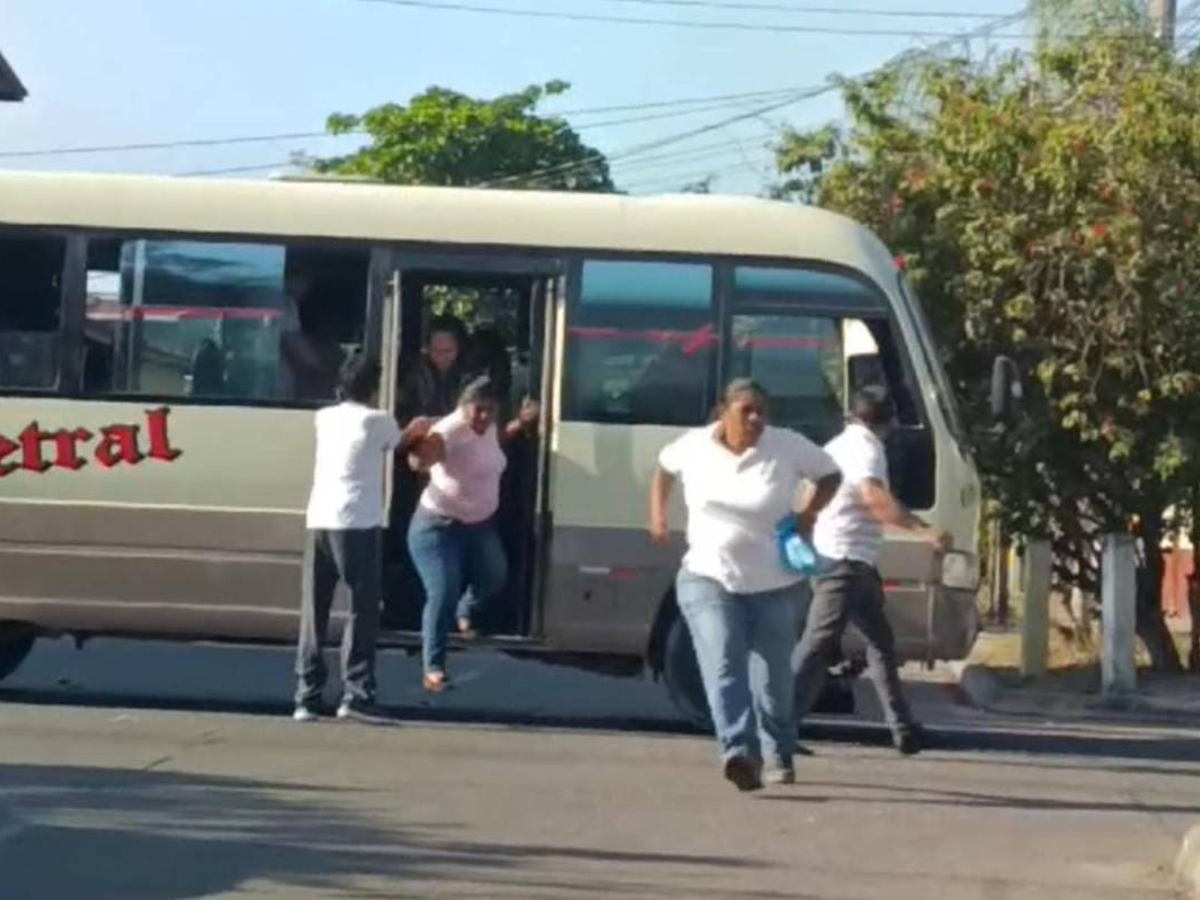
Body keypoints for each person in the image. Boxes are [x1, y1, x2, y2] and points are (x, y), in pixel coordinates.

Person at [650, 379, 842, 791]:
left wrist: (808, 516)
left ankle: (778, 752)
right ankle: (738, 751)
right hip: (707, 576)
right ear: (724, 412)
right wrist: (658, 517)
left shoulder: (785, 445)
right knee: (723, 660)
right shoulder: (695, 445)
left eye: (761, 411)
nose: (755, 418)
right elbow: (663, 469)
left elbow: (830, 475)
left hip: (775, 585)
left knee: (774, 681)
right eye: (746, 410)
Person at [794, 385, 950, 756]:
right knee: (817, 644)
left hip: (847, 559)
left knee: (880, 642)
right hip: (843, 561)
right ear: (888, 421)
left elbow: (806, 496)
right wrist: (922, 530)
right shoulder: (866, 448)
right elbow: (872, 497)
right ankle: (775, 725)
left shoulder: (836, 444)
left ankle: (904, 729)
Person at [294, 353, 432, 723]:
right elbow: (401, 445)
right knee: (362, 609)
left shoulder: (323, 418)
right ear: (373, 388)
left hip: (319, 518)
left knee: (315, 610)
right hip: (357, 523)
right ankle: (356, 694)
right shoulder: (378, 421)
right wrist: (418, 427)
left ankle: (306, 696)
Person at [406, 376, 539, 693]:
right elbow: (419, 460)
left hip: (479, 524)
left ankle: (467, 612)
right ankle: (433, 667)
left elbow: (494, 445)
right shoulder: (449, 430)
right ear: (462, 408)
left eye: (489, 410)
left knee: (495, 576)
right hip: (437, 527)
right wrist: (415, 440)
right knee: (443, 592)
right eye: (477, 410)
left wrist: (519, 424)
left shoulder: (489, 427)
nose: (483, 417)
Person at [398, 315, 469, 421]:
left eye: (447, 351)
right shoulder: (414, 372)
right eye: (435, 350)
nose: (440, 358)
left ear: (460, 348)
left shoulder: (470, 375)